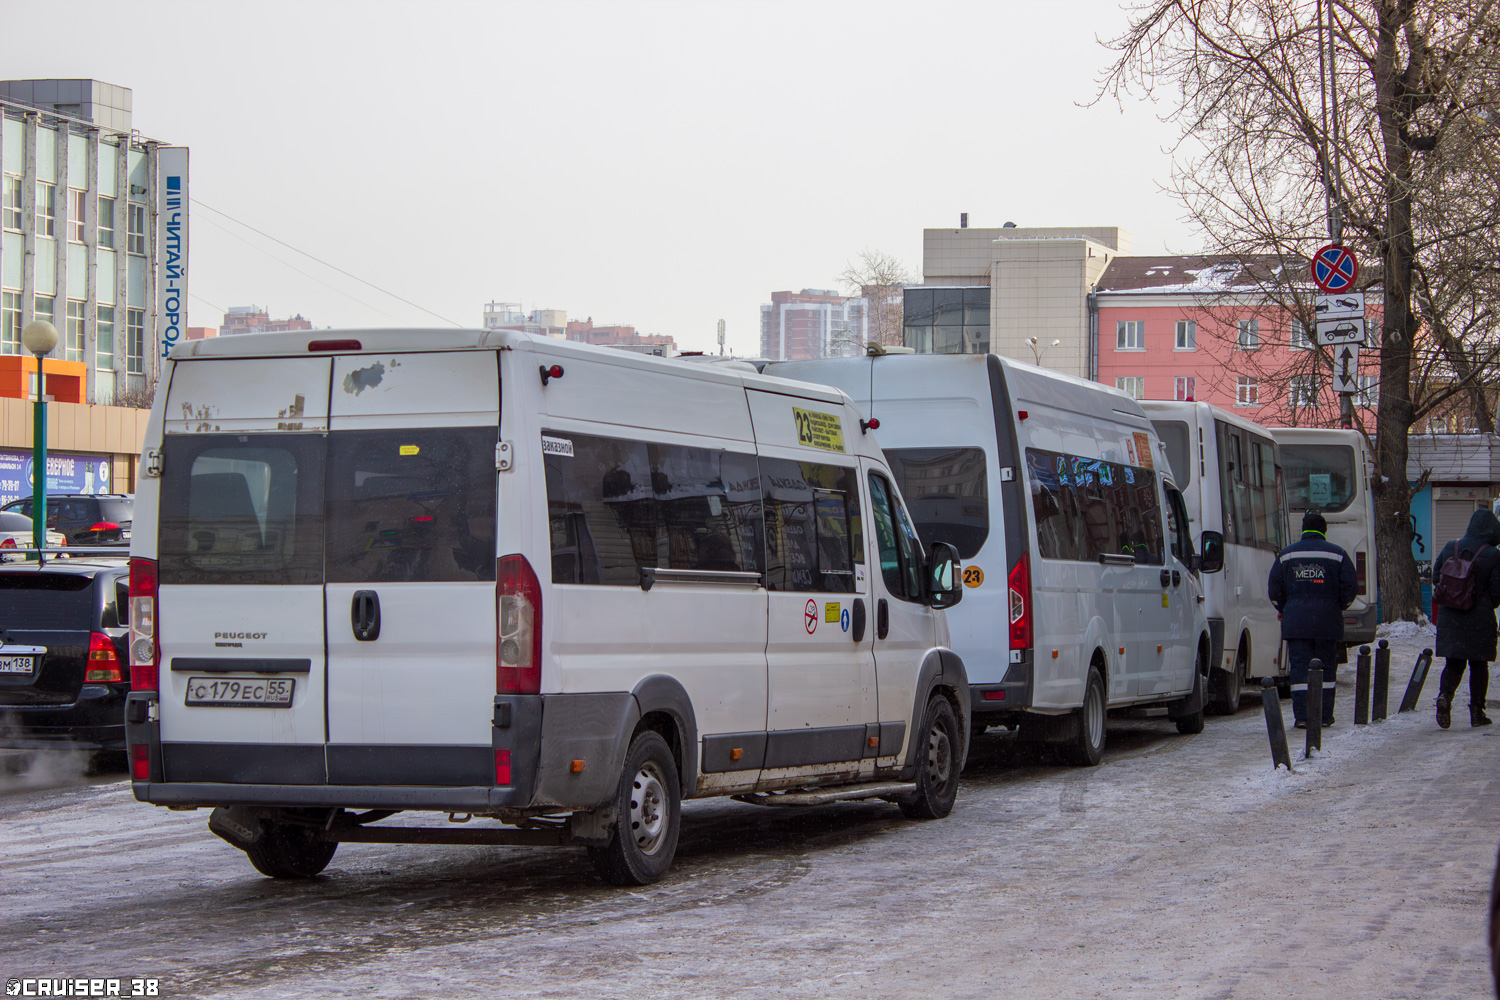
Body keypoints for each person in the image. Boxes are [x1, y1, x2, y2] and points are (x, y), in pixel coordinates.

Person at [1268, 509, 1357, 729]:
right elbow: (1350, 588)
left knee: (1299, 669)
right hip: (1328, 622)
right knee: (1326, 668)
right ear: (1324, 530)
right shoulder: (1338, 554)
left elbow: (1274, 588)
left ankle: (1303, 717)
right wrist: (1338, 605)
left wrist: (1284, 607)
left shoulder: (1287, 555)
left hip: (1297, 623)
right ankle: (1324, 715)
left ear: (1303, 530)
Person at [1431, 508, 1500, 729]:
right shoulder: (1493, 554)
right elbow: (1497, 592)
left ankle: (1445, 696)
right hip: (1479, 618)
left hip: (1450, 616)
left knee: (1454, 662)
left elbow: (1435, 577)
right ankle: (1477, 713)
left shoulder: (1452, 546)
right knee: (1479, 666)